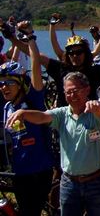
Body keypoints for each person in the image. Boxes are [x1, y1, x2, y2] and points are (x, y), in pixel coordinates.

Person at [6, 72, 100, 216]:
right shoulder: (62, 114)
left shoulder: (96, 111)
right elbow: (42, 116)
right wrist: (23, 113)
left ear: (87, 89)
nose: (72, 96)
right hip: (70, 184)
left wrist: (96, 106)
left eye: (75, 91)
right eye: (68, 92)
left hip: (97, 183)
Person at [1, 22, 53, 216]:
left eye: (9, 83)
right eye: (1, 84)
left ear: (21, 84)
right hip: (19, 171)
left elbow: (35, 65)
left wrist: (30, 39)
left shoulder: (33, 100)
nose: (4, 88)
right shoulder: (7, 107)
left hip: (39, 170)